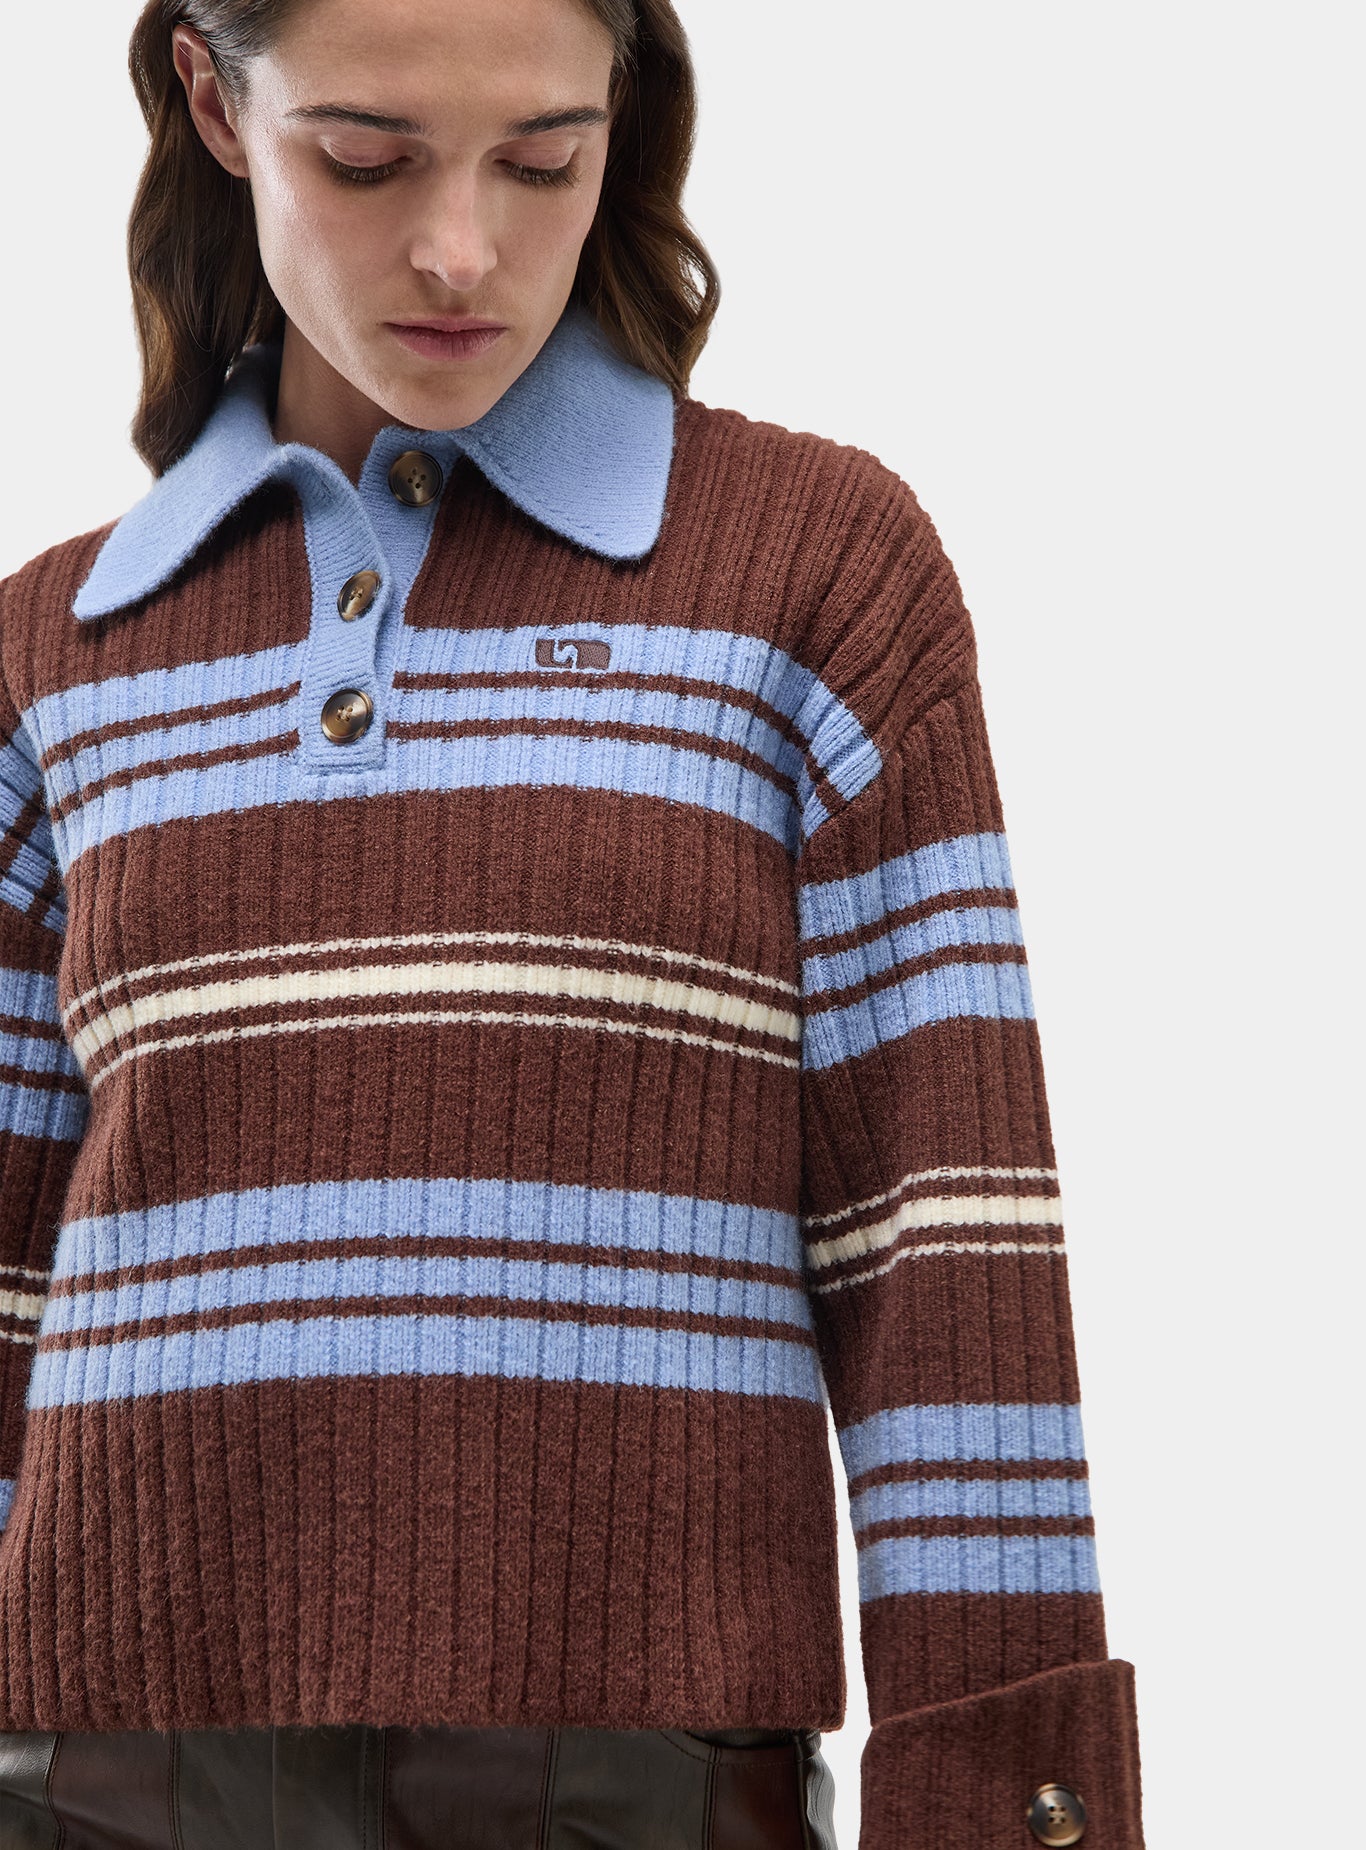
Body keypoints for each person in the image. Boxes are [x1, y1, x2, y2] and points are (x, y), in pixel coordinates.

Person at [0, 0, 1146, 1844]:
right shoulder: (55, 655)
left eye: (542, 161)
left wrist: (1007, 1805)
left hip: (639, 1786)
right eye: (364, 158)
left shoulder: (813, 576)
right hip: (94, 1786)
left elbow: (944, 1246)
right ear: (213, 102)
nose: (462, 249)